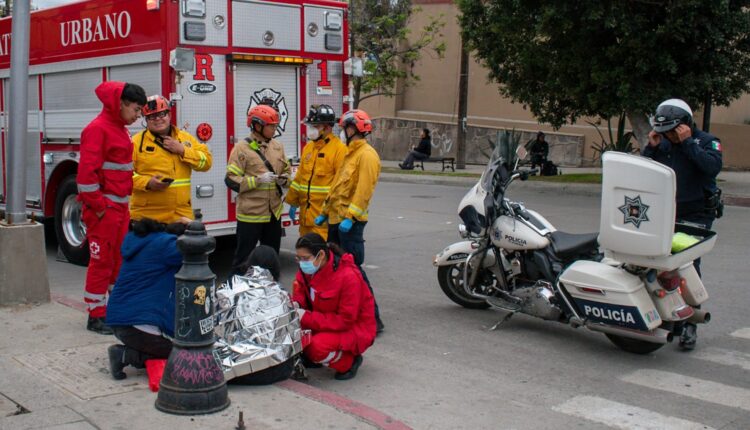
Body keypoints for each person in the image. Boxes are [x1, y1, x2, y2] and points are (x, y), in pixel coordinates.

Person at [642, 98, 723, 351]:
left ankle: (690, 323)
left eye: (672, 132)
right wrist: (652, 148)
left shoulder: (706, 141)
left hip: (696, 214)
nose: (669, 137)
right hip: (667, 213)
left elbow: (711, 168)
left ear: (685, 125)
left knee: (687, 267)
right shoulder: (663, 144)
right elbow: (647, 172)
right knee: (658, 264)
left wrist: (687, 143)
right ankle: (669, 316)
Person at [77, 81, 146, 334]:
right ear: (122, 103)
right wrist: (100, 208)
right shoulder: (98, 129)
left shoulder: (118, 129)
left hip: (117, 209)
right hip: (105, 211)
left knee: (117, 260)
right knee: (101, 261)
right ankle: (95, 315)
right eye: (136, 109)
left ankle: (112, 310)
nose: (138, 115)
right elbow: (85, 177)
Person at [314, 109, 384, 333]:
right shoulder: (350, 153)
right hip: (336, 219)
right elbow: (337, 187)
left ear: (353, 128)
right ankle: (344, 314)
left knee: (354, 272)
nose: (342, 131)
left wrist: (351, 217)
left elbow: (364, 191)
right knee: (336, 270)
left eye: (345, 127)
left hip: (349, 224)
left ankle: (373, 318)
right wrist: (325, 211)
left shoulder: (367, 155)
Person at [105, 218, 186, 379]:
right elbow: (197, 247)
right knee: (187, 357)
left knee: (175, 350)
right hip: (136, 325)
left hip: (120, 320)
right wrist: (197, 227)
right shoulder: (166, 245)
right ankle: (125, 355)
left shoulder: (146, 242)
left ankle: (135, 351)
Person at [292, 233, 376, 380]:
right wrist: (296, 304)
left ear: (321, 255)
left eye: (305, 258)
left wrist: (305, 317)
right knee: (292, 336)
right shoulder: (309, 271)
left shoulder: (348, 277)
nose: (301, 263)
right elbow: (300, 291)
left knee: (316, 348)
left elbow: (345, 320)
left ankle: (349, 362)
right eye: (299, 258)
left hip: (353, 328)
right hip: (324, 320)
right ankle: (315, 356)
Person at [225, 104, 291, 276]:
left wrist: (284, 180)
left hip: (273, 213)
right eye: (271, 126)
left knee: (272, 258)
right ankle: (237, 293)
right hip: (251, 214)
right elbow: (231, 179)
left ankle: (272, 294)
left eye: (275, 125)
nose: (274, 129)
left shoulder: (277, 147)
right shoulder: (241, 148)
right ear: (257, 125)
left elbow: (287, 172)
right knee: (243, 259)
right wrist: (256, 181)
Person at [130, 95, 212, 223]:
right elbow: (122, 176)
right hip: (146, 218)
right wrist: (147, 183)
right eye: (152, 116)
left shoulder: (185, 139)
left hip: (181, 216)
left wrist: (182, 150)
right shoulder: (135, 143)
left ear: (169, 115)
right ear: (146, 120)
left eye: (162, 114)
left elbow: (206, 163)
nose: (157, 119)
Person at [285, 104, 347, 240]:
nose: (311, 130)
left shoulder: (339, 150)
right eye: (310, 126)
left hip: (324, 219)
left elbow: (341, 185)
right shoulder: (308, 148)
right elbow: (300, 178)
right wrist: (293, 201)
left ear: (328, 127)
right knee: (306, 254)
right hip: (305, 217)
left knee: (321, 256)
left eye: (315, 126)